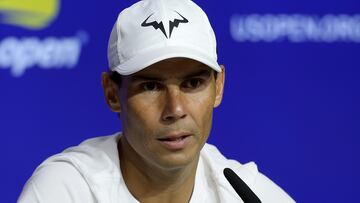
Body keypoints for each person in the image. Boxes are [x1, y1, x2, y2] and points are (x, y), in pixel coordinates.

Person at [18, 0, 295, 202]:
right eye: (151, 86)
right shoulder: (66, 191)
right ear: (112, 93)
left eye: (193, 83)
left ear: (218, 86)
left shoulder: (252, 196)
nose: (175, 109)